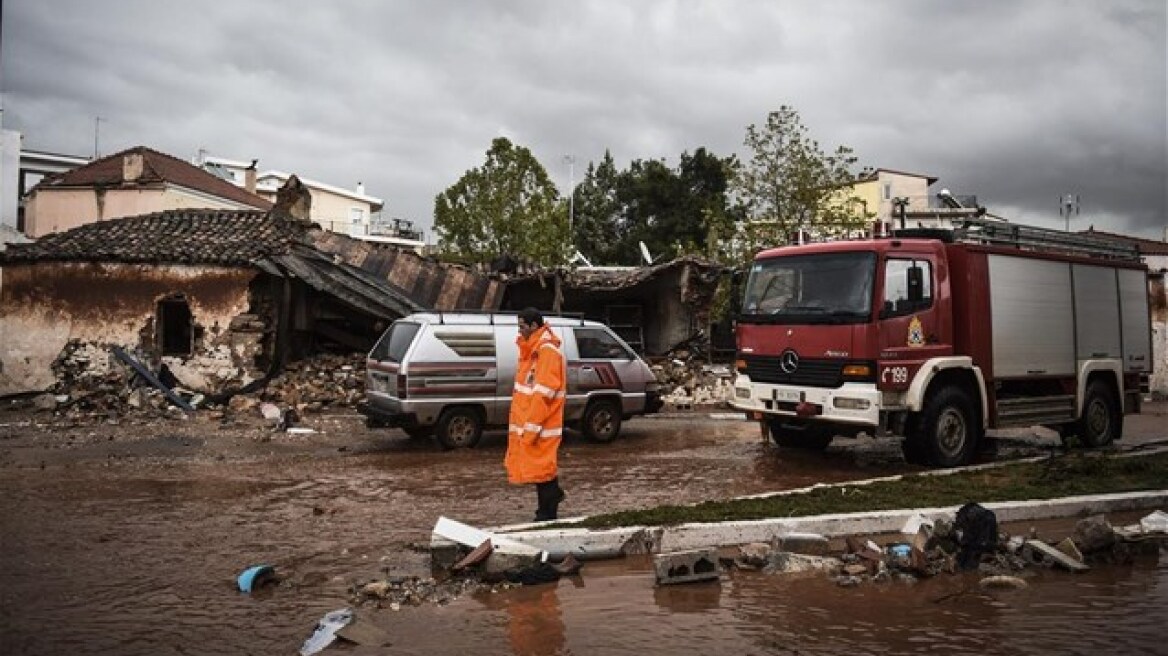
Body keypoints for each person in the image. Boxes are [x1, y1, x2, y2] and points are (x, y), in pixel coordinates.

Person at [504, 307, 567, 522]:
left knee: (543, 470)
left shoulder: (545, 351)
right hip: (535, 422)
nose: (519, 331)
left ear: (533, 326)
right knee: (540, 469)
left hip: (541, 424)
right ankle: (547, 508)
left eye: (522, 326)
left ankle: (547, 513)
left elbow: (544, 393)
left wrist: (532, 427)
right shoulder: (533, 349)